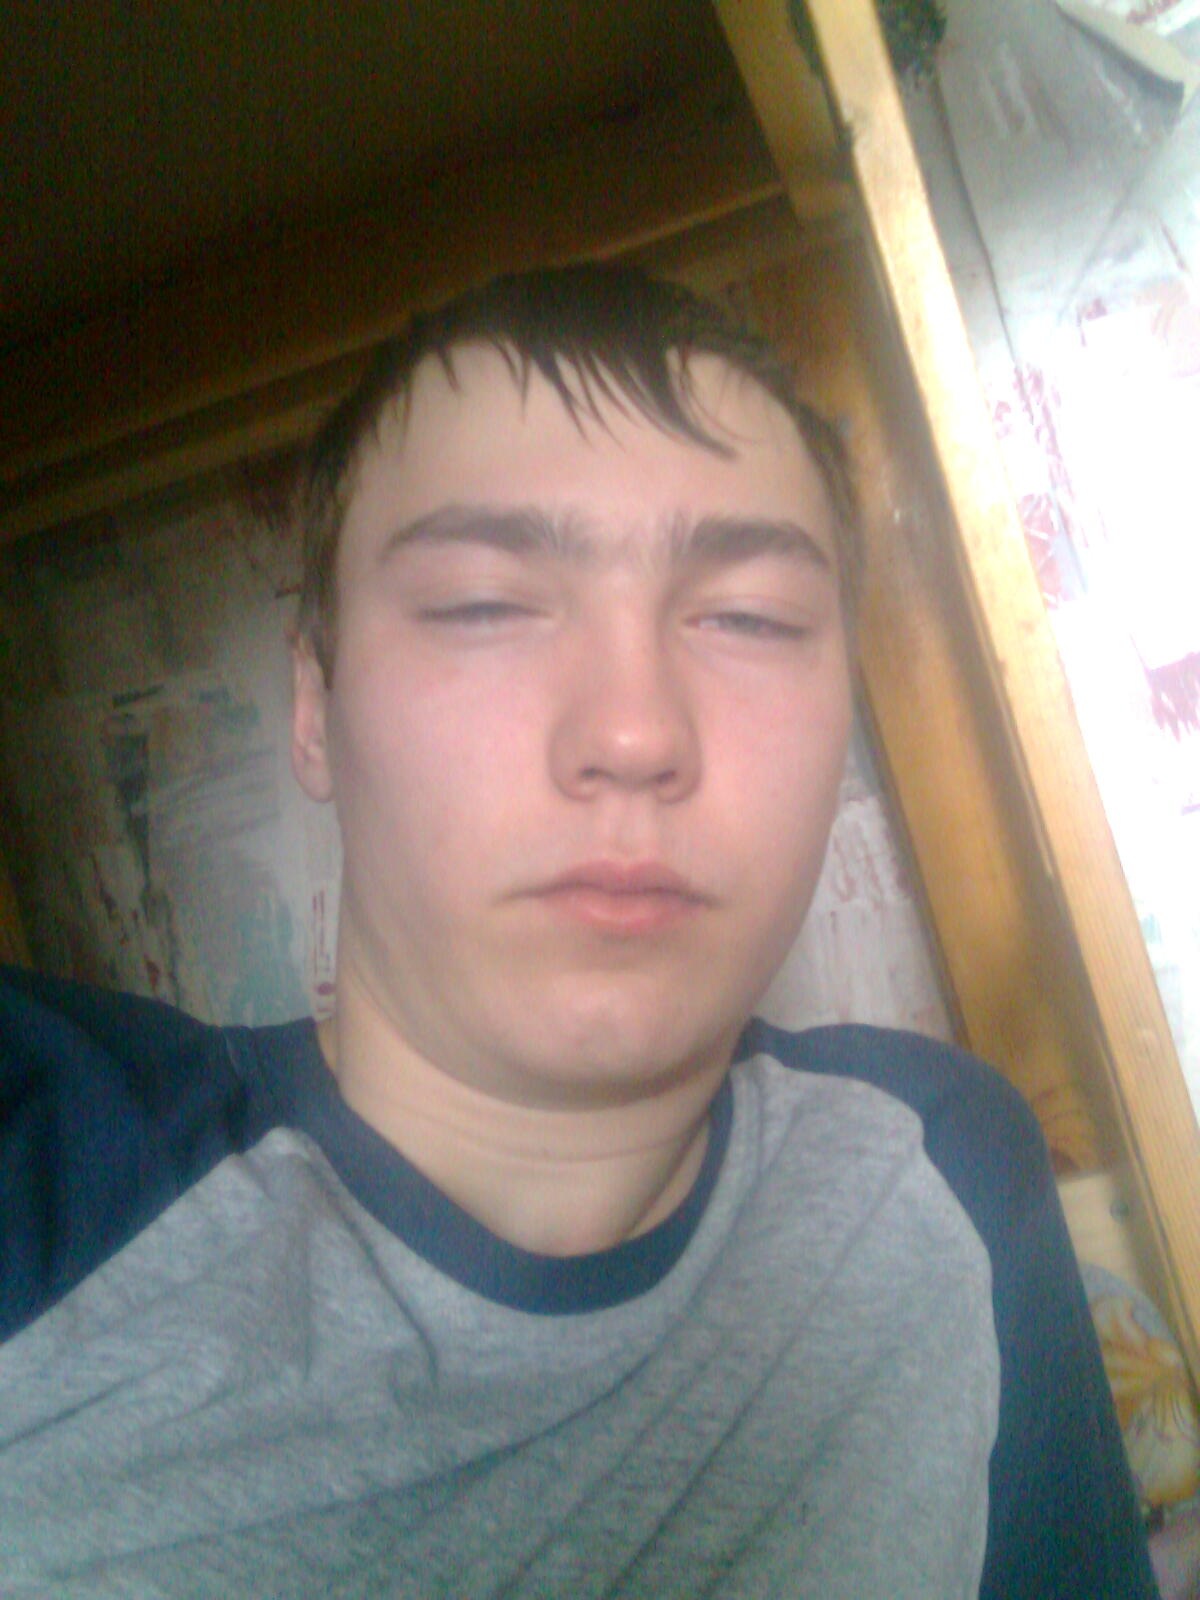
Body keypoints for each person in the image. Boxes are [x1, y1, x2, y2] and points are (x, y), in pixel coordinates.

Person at [0, 265, 1156, 1597]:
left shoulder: (940, 1164)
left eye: (750, 618)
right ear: (315, 708)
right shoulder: (56, 1166)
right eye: (484, 605)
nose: (633, 731)